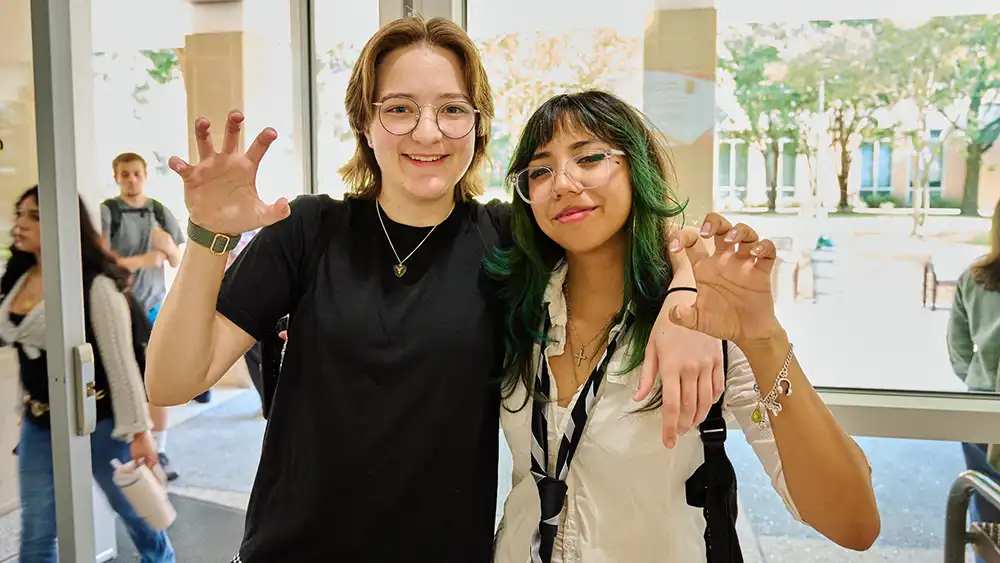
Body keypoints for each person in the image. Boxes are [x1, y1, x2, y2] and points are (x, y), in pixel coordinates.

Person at [145, 16, 723, 562]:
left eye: (452, 109)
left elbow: (648, 232)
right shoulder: (307, 230)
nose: (428, 131)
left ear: (477, 125)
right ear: (365, 124)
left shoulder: (508, 239)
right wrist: (208, 235)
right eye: (399, 109)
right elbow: (170, 381)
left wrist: (685, 302)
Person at [489, 91, 880, 562]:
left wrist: (762, 338)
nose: (563, 184)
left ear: (638, 168)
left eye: (589, 158)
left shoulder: (703, 322)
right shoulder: (515, 306)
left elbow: (854, 523)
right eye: (540, 171)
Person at [1, 187, 175, 563]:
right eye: (20, 214)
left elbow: (121, 365)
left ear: (63, 223)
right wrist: (25, 408)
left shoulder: (94, 284)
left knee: (139, 515)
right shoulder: (19, 276)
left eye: (35, 216)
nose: (21, 224)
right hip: (40, 423)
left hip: (101, 422)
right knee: (37, 530)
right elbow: (28, 355)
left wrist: (140, 434)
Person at [101, 152, 189, 482]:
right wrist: (144, 259)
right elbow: (103, 262)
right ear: (116, 177)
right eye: (125, 174)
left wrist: (165, 245)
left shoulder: (158, 211)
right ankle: (128, 447)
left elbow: (176, 258)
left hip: (153, 307)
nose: (131, 179)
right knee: (123, 379)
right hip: (117, 308)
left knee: (156, 381)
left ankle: (160, 449)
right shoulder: (108, 212)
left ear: (145, 175)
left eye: (136, 173)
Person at [948, 197, 1000, 531]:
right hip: (982, 392)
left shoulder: (975, 277)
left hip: (981, 396)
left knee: (987, 507)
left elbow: (958, 345)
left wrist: (977, 375)